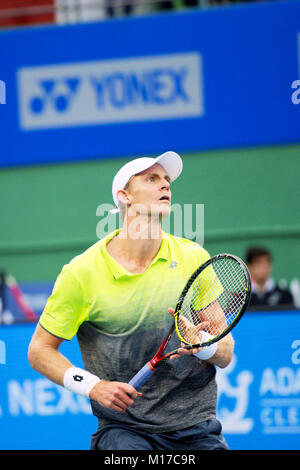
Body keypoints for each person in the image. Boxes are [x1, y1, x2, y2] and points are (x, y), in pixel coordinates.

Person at [28, 151, 233, 450]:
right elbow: (39, 350)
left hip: (196, 428)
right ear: (125, 197)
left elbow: (225, 353)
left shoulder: (193, 259)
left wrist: (204, 344)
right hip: (124, 431)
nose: (165, 185)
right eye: (152, 179)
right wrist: (94, 387)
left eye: (166, 180)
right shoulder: (81, 273)